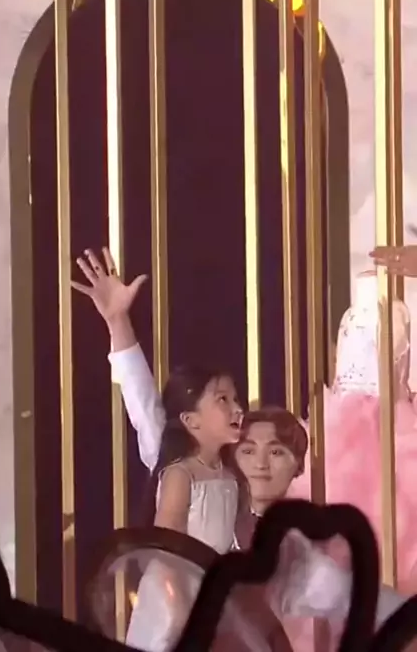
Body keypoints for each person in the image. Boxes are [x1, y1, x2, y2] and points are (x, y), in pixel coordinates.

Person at [72, 249, 407, 651]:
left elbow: (343, 593)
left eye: (277, 452)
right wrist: (118, 322)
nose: (260, 462)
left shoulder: (270, 535)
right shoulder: (182, 467)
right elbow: (144, 405)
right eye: (249, 449)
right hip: (174, 620)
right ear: (192, 422)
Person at [73, 248, 242, 652]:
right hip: (176, 609)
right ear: (189, 419)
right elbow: (140, 397)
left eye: (236, 399)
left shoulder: (231, 465)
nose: (237, 409)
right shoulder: (173, 463)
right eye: (222, 400)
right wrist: (118, 320)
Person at [288, 269, 417, 596]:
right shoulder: (350, 316)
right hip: (345, 411)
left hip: (385, 412)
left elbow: (398, 369)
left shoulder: (395, 313)